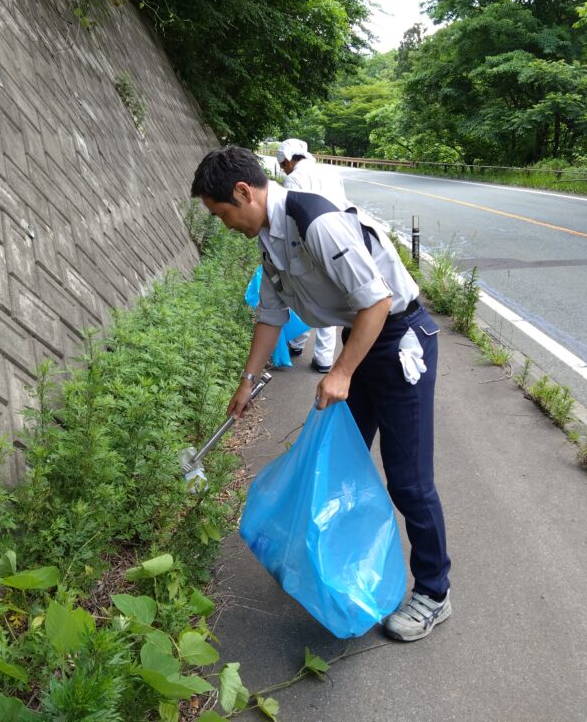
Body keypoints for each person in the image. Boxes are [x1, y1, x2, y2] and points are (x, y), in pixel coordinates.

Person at [191, 145, 451, 642]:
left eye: (223, 213)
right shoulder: (268, 239)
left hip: (397, 341)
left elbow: (378, 301)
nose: (224, 224)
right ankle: (335, 564)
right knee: (335, 463)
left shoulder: (316, 223)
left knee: (409, 481)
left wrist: (342, 372)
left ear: (244, 193)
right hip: (361, 338)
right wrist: (245, 383)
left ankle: (434, 593)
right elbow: (270, 316)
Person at [275, 138, 345, 373]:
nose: (284, 169)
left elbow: (290, 217)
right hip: (340, 241)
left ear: (287, 159)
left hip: (309, 242)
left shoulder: (294, 178)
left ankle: (297, 343)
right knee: (333, 298)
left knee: (304, 295)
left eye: (283, 164)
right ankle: (324, 359)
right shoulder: (330, 172)